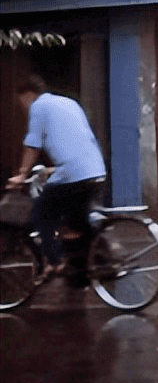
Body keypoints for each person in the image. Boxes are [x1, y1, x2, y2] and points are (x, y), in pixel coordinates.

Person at [7, 75, 107, 278]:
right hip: (95, 170)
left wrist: (21, 175)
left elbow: (33, 144)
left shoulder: (38, 107)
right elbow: (78, 140)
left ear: (28, 95)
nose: (23, 108)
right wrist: (53, 170)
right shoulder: (69, 102)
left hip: (72, 175)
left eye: (22, 103)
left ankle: (54, 262)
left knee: (41, 214)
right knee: (76, 223)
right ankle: (83, 271)